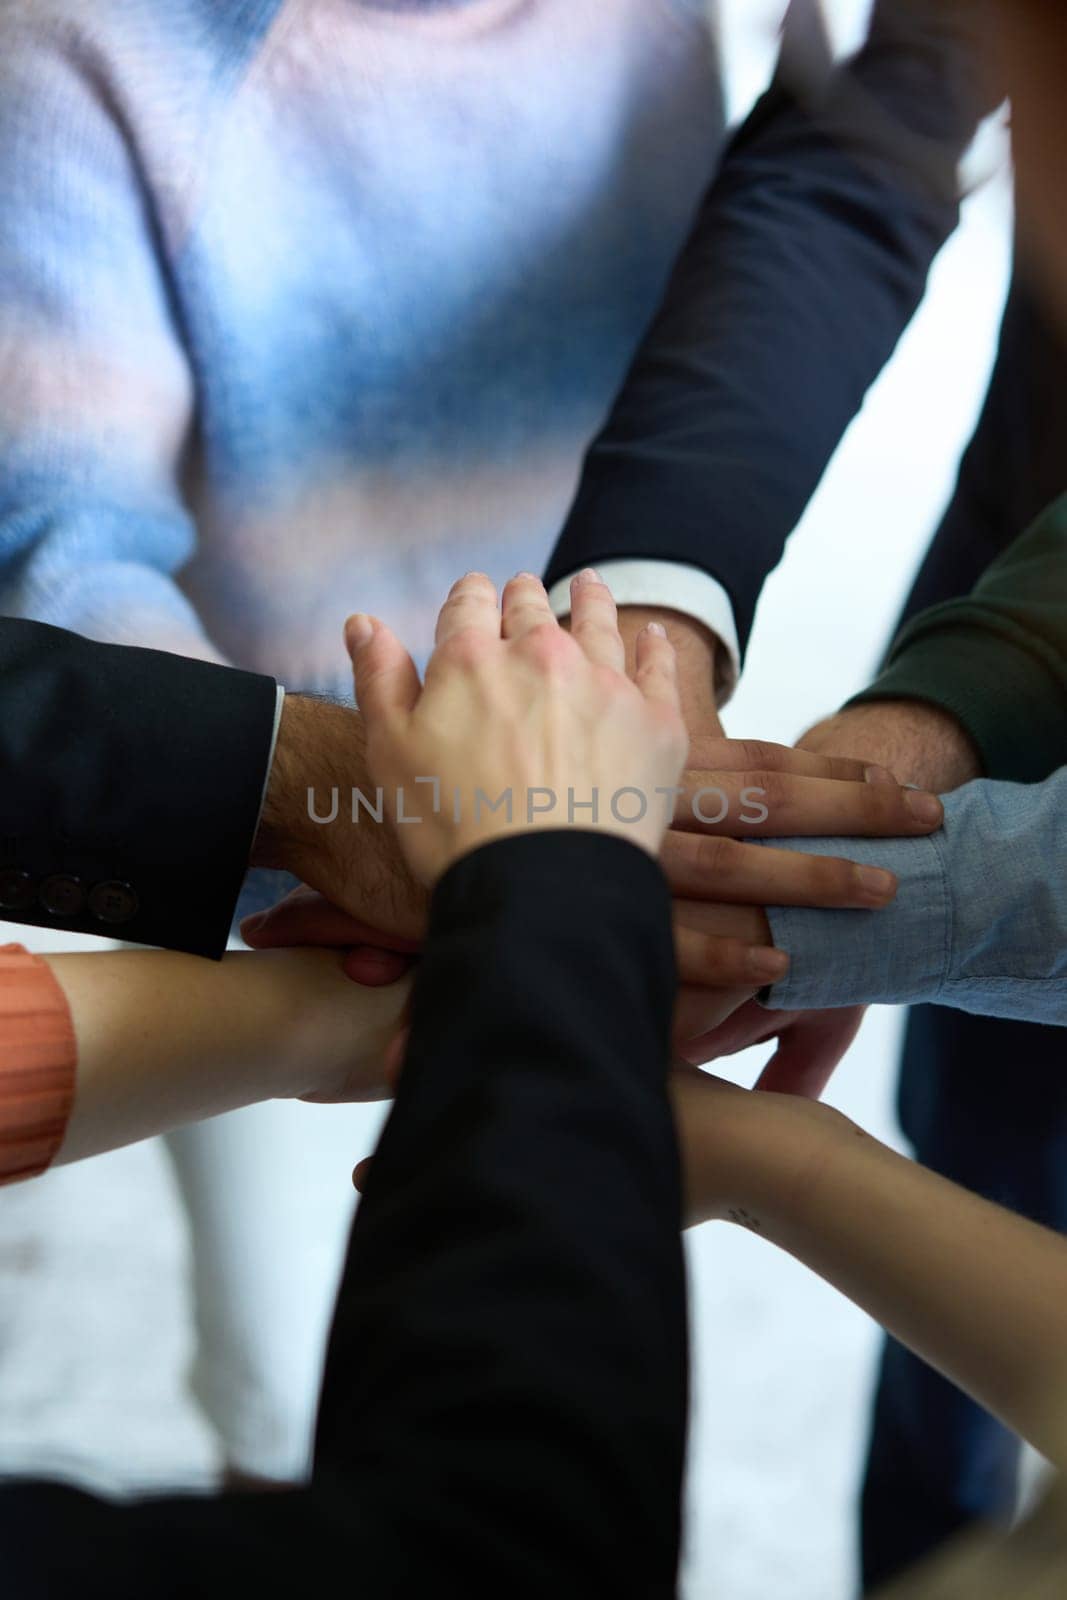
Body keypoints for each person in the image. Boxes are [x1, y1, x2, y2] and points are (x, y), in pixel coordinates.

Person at [0, 0, 960, 1482]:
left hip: (599, 777)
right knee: (287, 1358)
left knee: (539, 1322)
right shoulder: (80, 51)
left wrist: (619, 742)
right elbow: (62, 552)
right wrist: (350, 808)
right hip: (263, 861)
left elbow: (782, 239)